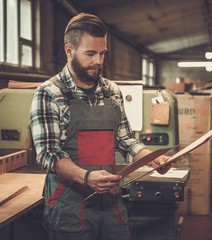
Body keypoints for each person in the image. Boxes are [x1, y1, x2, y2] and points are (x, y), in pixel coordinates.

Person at [30, 12, 171, 240]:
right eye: (90, 53)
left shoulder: (112, 91)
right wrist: (86, 177)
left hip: (111, 207)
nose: (98, 61)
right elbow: (47, 154)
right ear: (69, 50)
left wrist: (150, 157)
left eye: (103, 53)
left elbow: (125, 140)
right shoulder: (49, 93)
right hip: (69, 207)